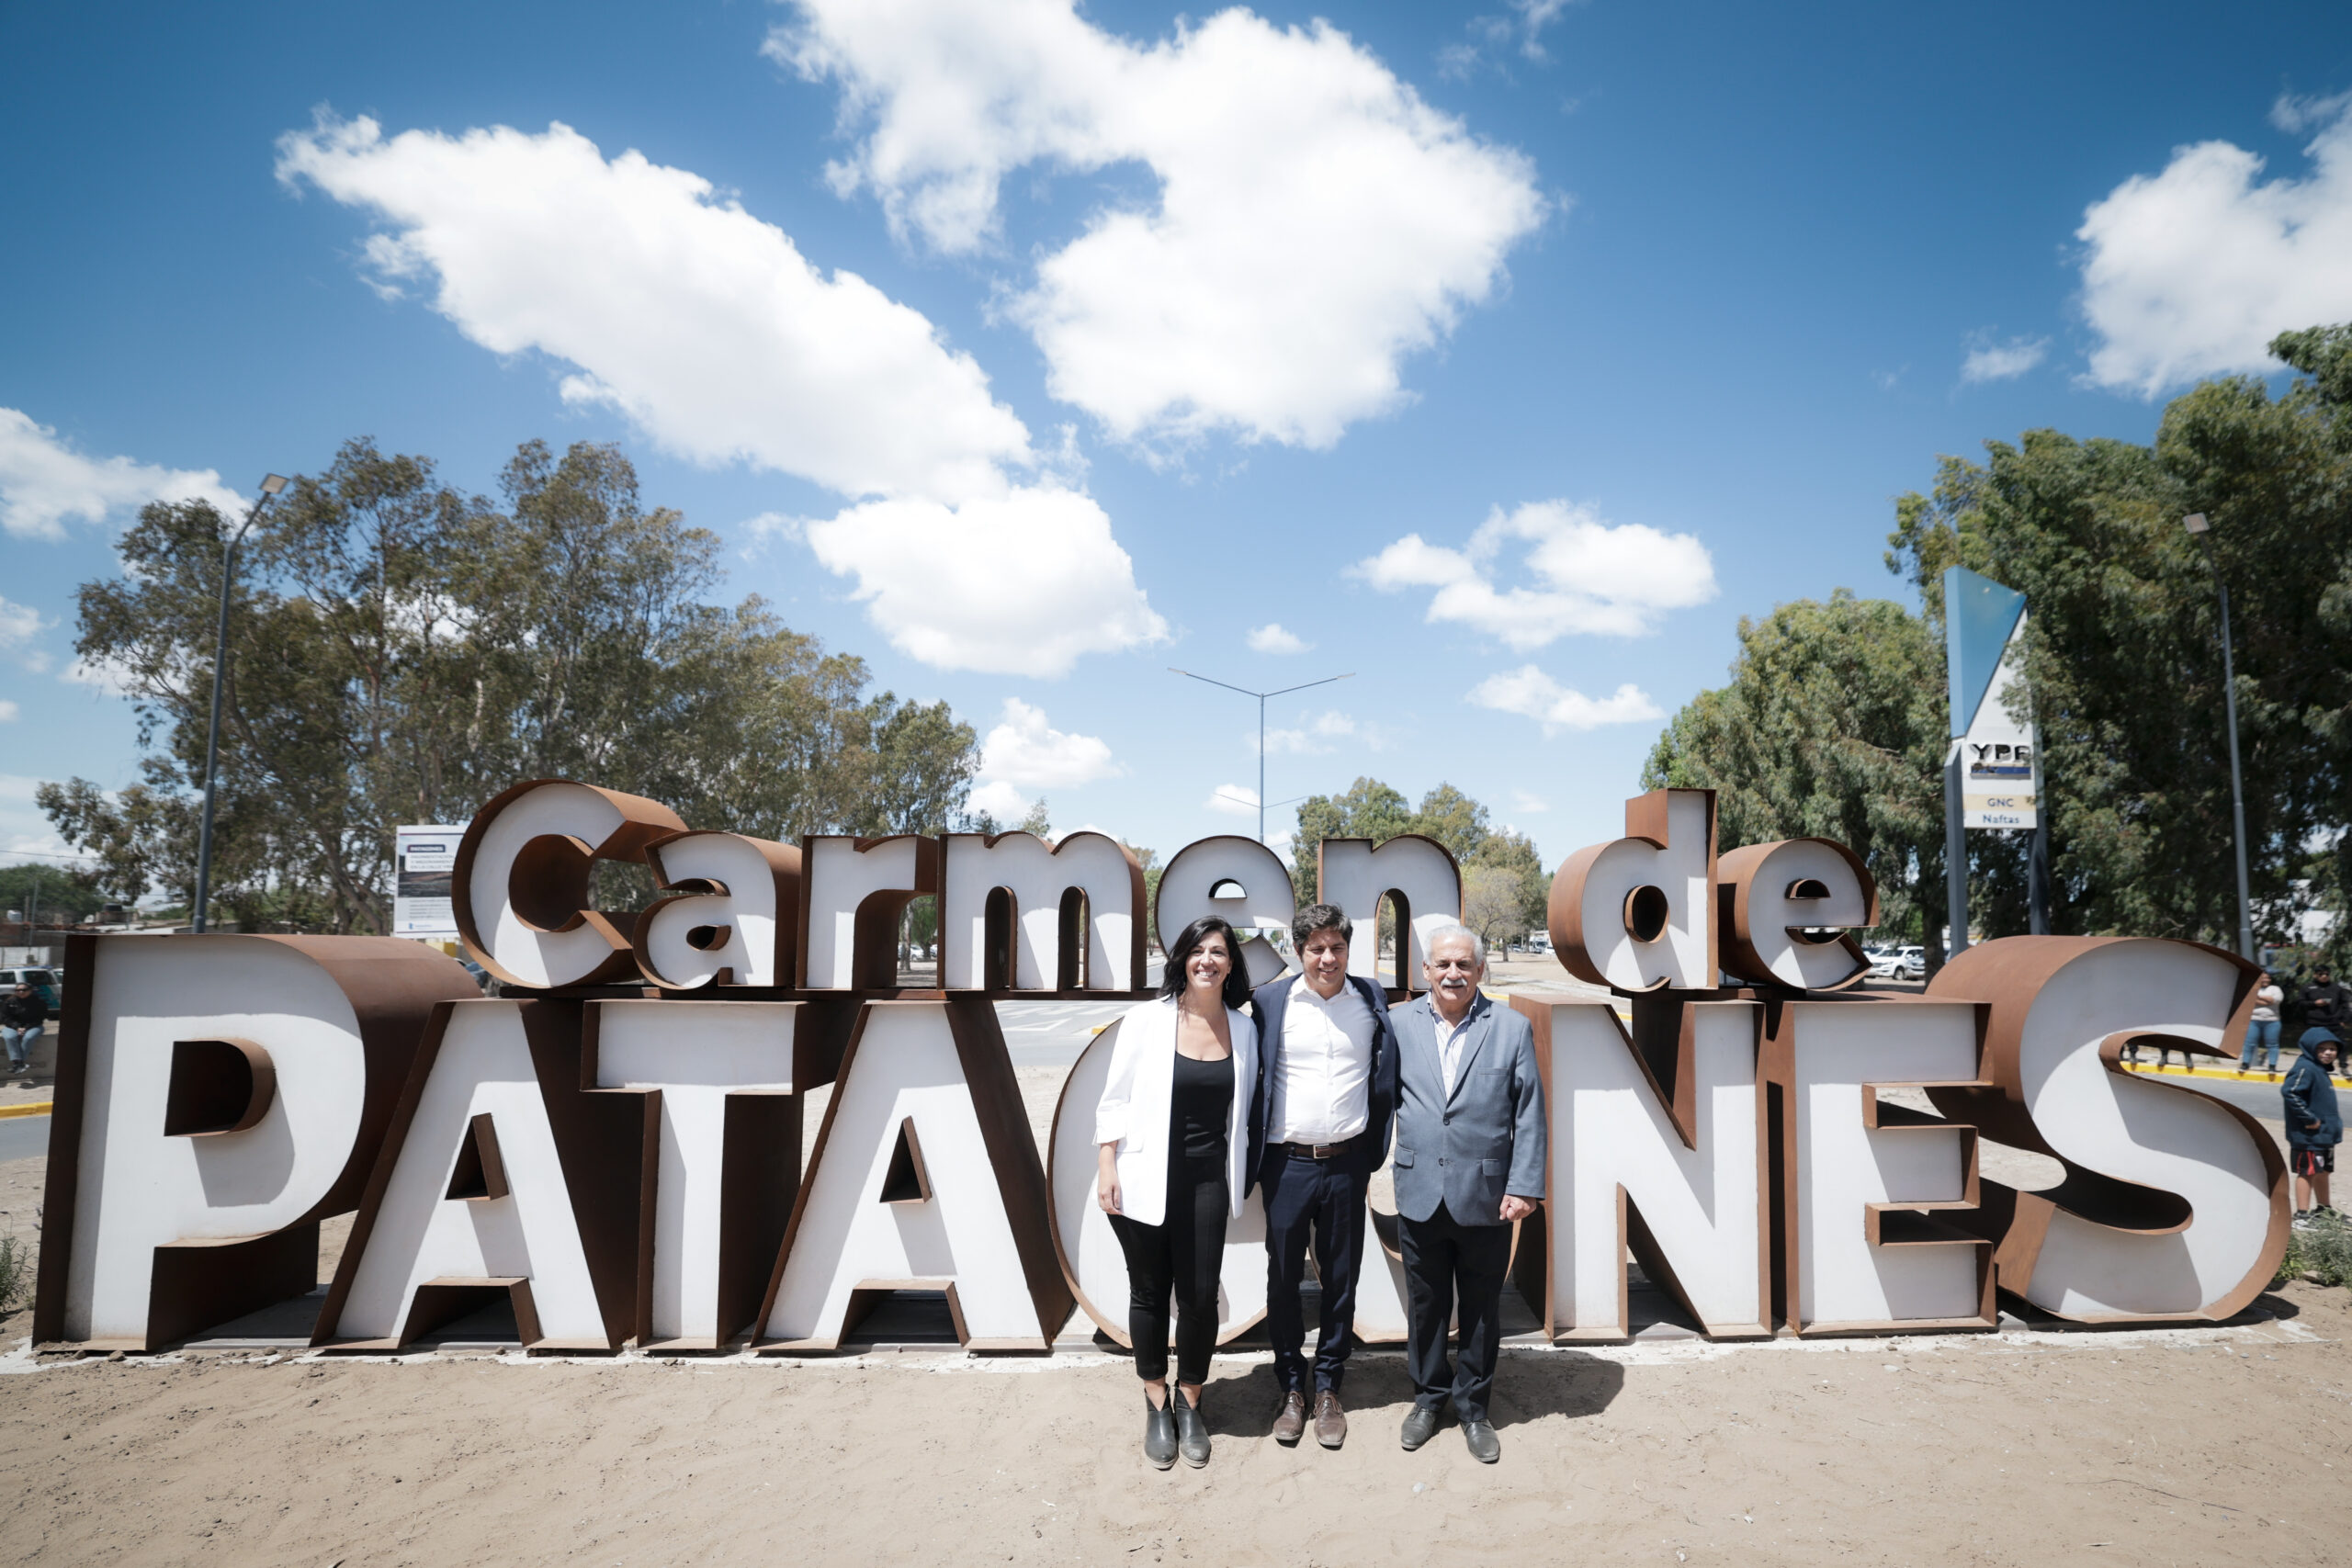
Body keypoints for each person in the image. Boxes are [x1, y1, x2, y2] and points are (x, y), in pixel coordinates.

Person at [1094, 916, 1259, 1469]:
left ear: (1232, 963)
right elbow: (1113, 1097)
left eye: (1218, 951)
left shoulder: (1246, 1028)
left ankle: (1191, 1400)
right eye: (1197, 951)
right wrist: (1106, 1162)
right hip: (1142, 1177)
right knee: (1147, 1292)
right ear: (1182, 959)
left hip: (1209, 1179)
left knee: (1199, 1294)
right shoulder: (1146, 1021)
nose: (1207, 960)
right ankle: (1154, 1398)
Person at [1391, 924, 1545, 1463]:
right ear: (1426, 971)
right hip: (1419, 1191)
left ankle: (1474, 1409)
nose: (1452, 974)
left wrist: (1525, 1186)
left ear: (1480, 970)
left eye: (1463, 964)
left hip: (1487, 1194)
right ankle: (1429, 1400)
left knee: (1480, 1307)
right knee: (1427, 1304)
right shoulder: (1396, 1025)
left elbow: (1528, 1114)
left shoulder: (1511, 1028)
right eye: (1442, 965)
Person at [1247, 903, 1398, 1450]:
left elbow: (1384, 1076)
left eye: (1336, 947)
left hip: (1348, 1163)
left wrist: (1372, 1147)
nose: (1327, 958)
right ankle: (1291, 1386)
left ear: (1347, 950)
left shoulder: (1371, 998)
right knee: (1283, 1279)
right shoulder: (1270, 1002)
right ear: (1298, 951)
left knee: (1342, 1278)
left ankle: (1330, 1385)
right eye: (1316, 948)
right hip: (1286, 1163)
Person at [2283, 1028, 2343, 1226]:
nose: (2328, 1052)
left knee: (2323, 1171)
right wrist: (2308, 1118)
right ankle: (2301, 1215)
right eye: (2322, 1049)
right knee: (2307, 1172)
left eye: (2332, 1049)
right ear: (2310, 1049)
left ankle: (2323, 1210)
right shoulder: (2305, 1068)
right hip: (2308, 1136)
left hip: (2324, 1136)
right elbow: (2291, 1092)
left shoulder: (2320, 1069)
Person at [2239, 971, 2285, 1075]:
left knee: (2272, 1044)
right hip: (2254, 1020)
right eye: (2263, 978)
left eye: (2267, 978)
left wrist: (2257, 997)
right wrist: (2267, 1001)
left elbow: (2275, 1001)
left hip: (2272, 1021)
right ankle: (2245, 1064)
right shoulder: (2253, 988)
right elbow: (2250, 1000)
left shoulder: (2275, 989)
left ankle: (2272, 1066)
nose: (2265, 980)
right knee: (2249, 1043)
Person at [0, 982, 43, 1081]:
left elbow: (39, 1019)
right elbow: (5, 1018)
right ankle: (18, 1063)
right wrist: (17, 1027)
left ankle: (19, 1063)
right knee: (10, 1037)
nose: (21, 992)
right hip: (12, 1027)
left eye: (24, 990)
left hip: (34, 1026)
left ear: (30, 991)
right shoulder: (9, 1002)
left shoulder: (38, 1002)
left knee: (28, 1037)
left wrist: (26, 1028)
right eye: (18, 990)